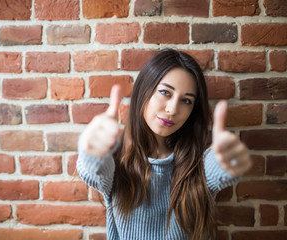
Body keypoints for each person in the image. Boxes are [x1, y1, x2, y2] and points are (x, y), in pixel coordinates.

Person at [77, 49, 252, 240]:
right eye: (164, 92)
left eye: (186, 100)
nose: (172, 109)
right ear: (144, 91)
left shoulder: (198, 164)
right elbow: (94, 168)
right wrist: (91, 149)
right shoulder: (118, 163)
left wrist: (231, 161)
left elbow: (219, 167)